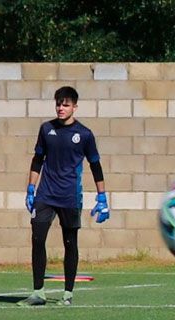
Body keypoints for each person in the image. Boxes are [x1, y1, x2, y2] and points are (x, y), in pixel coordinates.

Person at [23, 86, 109, 307]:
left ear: (75, 107)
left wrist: (102, 198)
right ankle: (38, 292)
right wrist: (31, 189)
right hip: (45, 194)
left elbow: (95, 165)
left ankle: (68, 293)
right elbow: (37, 160)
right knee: (37, 238)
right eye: (58, 104)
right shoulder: (46, 129)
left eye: (66, 104)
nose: (61, 108)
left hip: (70, 197)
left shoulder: (85, 134)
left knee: (70, 243)